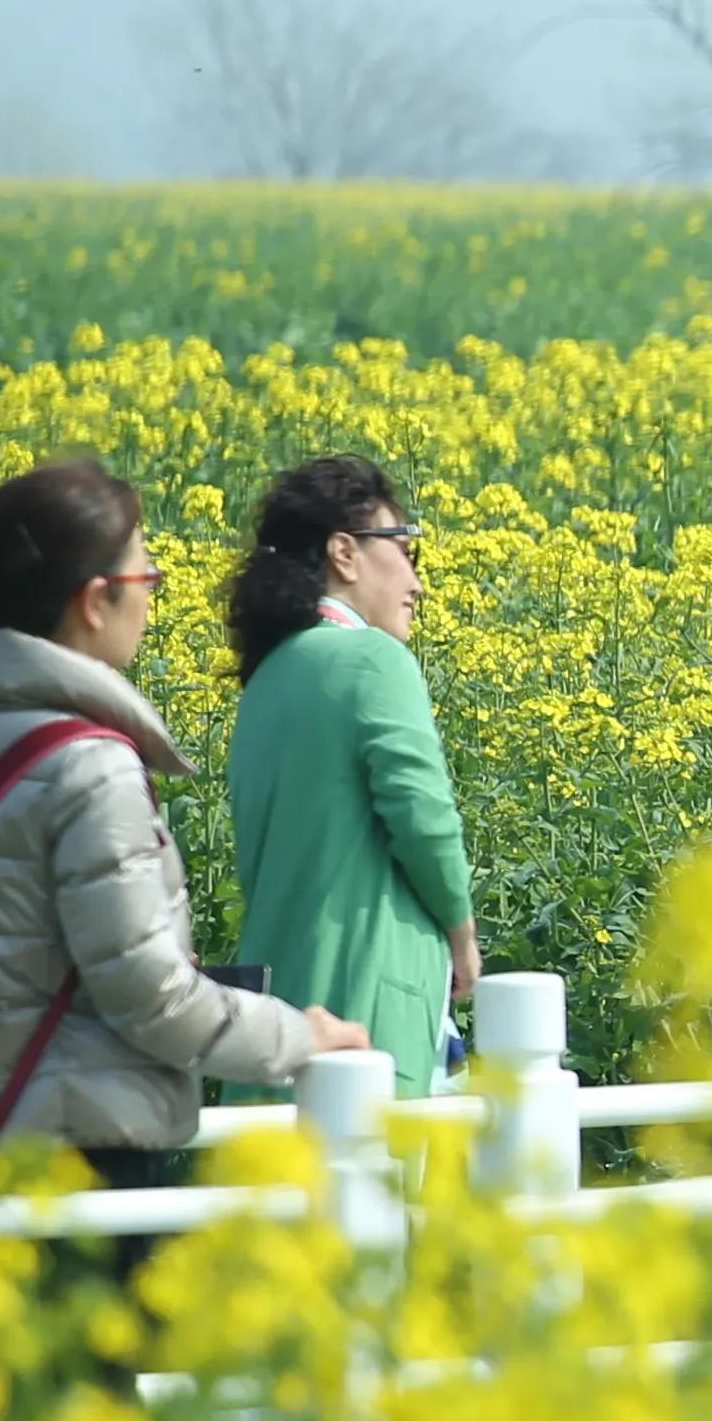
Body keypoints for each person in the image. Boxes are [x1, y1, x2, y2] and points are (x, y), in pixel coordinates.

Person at [0, 456, 356, 1184]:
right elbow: (148, 995)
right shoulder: (88, 765)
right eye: (144, 578)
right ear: (94, 600)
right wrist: (299, 1036)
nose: (150, 600)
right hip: (87, 1152)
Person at [223, 454, 481, 1091]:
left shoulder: (268, 675)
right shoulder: (371, 658)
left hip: (278, 1011)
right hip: (364, 1005)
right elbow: (424, 819)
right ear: (344, 552)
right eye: (406, 550)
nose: (417, 582)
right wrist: (462, 936)